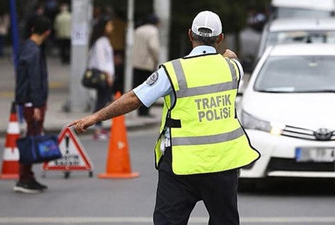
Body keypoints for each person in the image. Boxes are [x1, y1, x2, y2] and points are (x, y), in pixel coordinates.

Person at [69, 11, 260, 224]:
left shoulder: (173, 71)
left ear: (190, 35)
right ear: (220, 38)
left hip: (181, 165)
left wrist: (94, 117)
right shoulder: (233, 69)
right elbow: (230, 59)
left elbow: (134, 98)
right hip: (224, 164)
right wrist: (227, 56)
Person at [14, 16, 51, 194]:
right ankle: (24, 178)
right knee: (31, 139)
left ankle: (27, 176)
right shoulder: (34, 51)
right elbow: (34, 80)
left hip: (30, 101)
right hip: (32, 102)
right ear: (47, 32)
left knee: (31, 137)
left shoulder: (27, 47)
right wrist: (37, 105)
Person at [87, 15, 115, 140]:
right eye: (109, 25)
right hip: (103, 77)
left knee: (103, 101)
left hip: (106, 76)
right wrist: (108, 75)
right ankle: (97, 128)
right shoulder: (100, 42)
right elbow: (101, 61)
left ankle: (99, 127)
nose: (112, 28)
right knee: (101, 102)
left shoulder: (104, 40)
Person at [132, 14, 160, 117]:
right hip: (147, 63)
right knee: (148, 89)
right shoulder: (153, 31)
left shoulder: (138, 30)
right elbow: (153, 47)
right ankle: (145, 111)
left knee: (138, 88)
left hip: (136, 63)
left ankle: (139, 111)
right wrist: (156, 58)